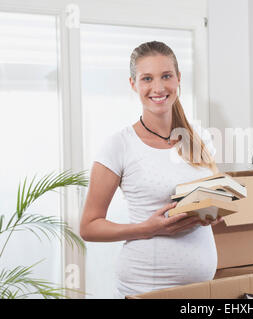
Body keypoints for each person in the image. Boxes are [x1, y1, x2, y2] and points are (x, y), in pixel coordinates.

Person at [80, 41, 222, 298]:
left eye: (166, 76)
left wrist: (214, 211)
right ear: (134, 84)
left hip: (201, 290)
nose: (158, 87)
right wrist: (148, 228)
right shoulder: (119, 145)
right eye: (147, 78)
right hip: (146, 287)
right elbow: (89, 227)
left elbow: (210, 198)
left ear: (179, 79)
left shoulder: (200, 137)